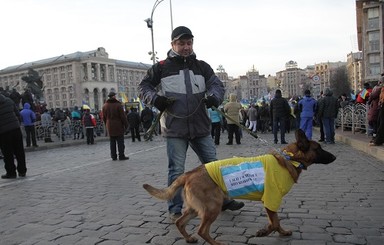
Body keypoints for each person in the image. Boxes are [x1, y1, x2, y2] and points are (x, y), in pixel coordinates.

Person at [138, 26, 244, 221]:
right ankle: (175, 208)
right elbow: (143, 87)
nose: (186, 47)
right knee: (176, 170)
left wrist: (214, 97)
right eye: (181, 43)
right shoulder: (161, 67)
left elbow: (216, 85)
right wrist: (155, 99)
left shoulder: (202, 66)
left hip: (200, 126)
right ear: (173, 45)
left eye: (189, 43)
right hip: (174, 127)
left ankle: (224, 200)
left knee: (213, 166)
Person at [0, 94, 27, 178]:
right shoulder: (8, 100)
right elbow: (17, 114)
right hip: (15, 129)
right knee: (20, 151)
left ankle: (11, 172)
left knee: (8, 153)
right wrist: (17, 124)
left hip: (3, 132)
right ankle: (22, 171)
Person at [102, 92, 129, 161]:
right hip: (118, 125)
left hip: (109, 126)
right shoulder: (118, 105)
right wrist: (126, 125)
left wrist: (106, 124)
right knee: (120, 142)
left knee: (112, 142)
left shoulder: (105, 105)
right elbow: (123, 117)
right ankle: (121, 155)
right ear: (113, 96)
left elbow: (104, 118)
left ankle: (113, 156)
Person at [369, 79, 384, 146]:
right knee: (379, 123)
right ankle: (378, 139)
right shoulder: (382, 89)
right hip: (380, 106)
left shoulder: (379, 89)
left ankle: (378, 140)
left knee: (380, 124)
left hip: (381, 107)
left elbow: (373, 96)